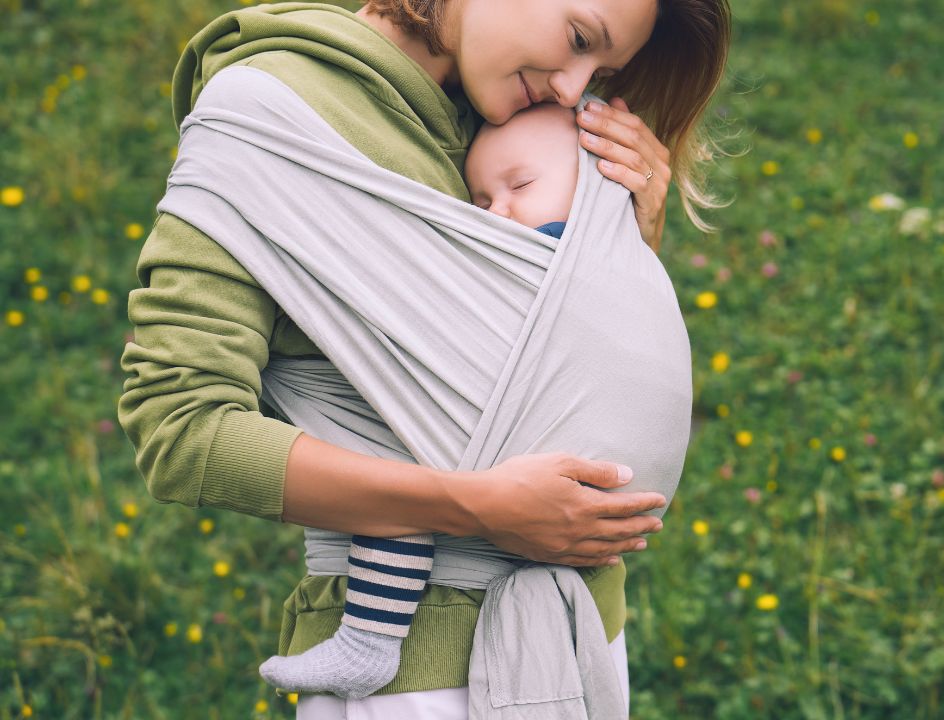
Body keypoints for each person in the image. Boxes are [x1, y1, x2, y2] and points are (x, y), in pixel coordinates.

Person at [117, 0, 731, 716]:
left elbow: (544, 367)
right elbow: (181, 430)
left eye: (602, 70)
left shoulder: (523, 131)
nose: (574, 88)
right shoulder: (271, 117)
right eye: (577, 39)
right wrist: (473, 506)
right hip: (410, 681)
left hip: (585, 650)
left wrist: (622, 243)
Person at [255, 102, 601, 699]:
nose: (500, 212)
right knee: (399, 483)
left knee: (394, 480)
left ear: (597, 187)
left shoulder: (563, 250)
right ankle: (368, 643)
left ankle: (368, 640)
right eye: (482, 201)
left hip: (517, 434)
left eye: (520, 185)